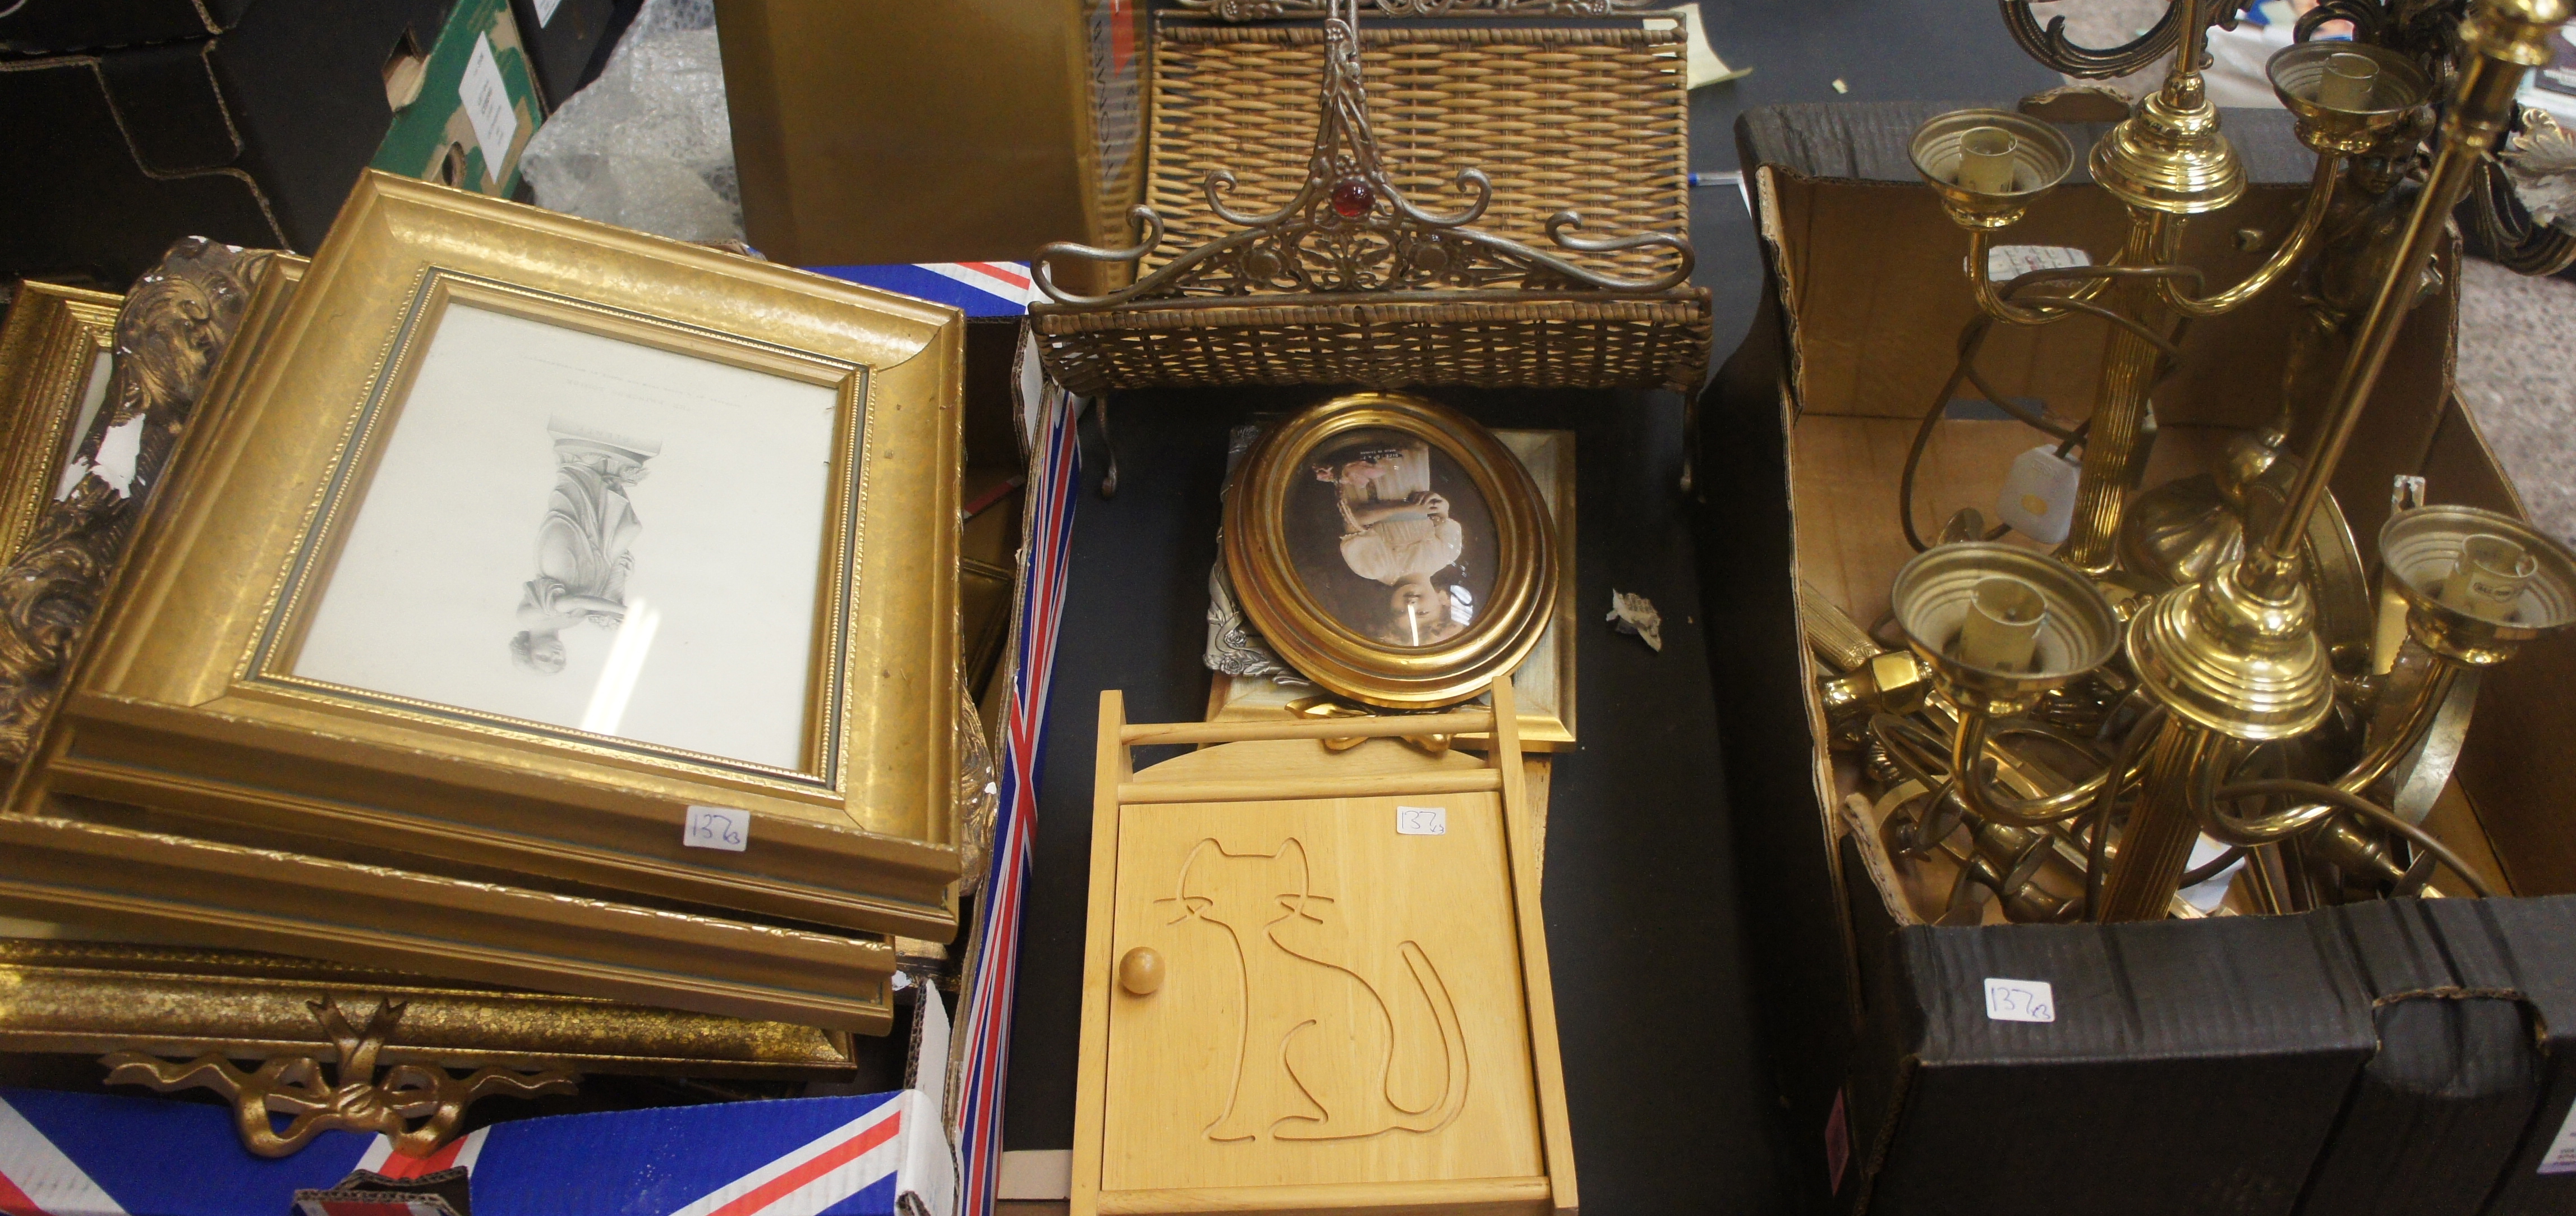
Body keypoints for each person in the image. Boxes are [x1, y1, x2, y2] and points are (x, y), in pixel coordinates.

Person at [510, 420, 659, 673]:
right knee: (630, 528)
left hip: (561, 563)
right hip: (595, 568)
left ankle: (579, 465)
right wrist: (619, 577)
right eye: (559, 662)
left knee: (573, 508)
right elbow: (597, 598)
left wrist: (624, 613)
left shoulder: (528, 619)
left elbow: (575, 600)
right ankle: (611, 479)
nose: (555, 656)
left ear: (528, 649)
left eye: (544, 659)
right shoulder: (572, 625)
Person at [1311, 434, 1462, 586]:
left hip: (1367, 490)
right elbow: (1442, 516)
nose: (1412, 603)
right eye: (1424, 611)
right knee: (1402, 439)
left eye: (1400, 611)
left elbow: (1354, 520)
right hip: (1409, 481)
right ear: (1443, 601)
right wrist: (1439, 505)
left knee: (1361, 442)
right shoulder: (1447, 555)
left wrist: (1409, 507)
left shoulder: (1375, 569)